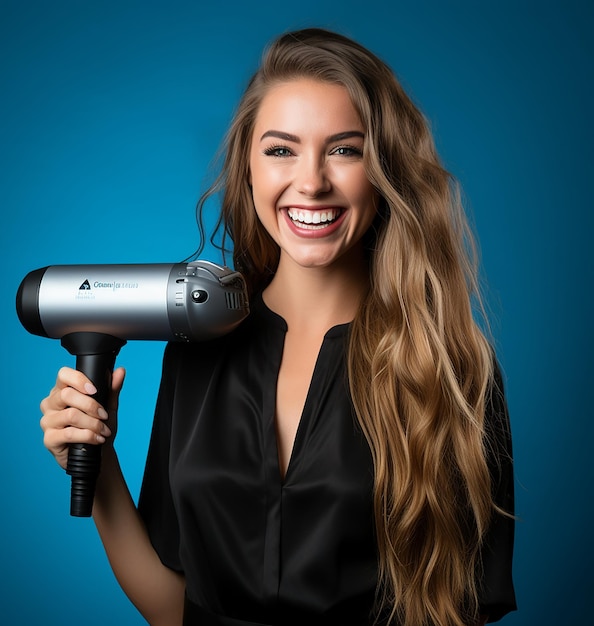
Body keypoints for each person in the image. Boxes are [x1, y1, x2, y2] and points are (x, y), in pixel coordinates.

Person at [39, 28, 516, 626]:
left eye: (345, 150)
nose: (311, 181)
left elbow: (458, 611)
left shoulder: (451, 368)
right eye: (281, 150)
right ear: (249, 167)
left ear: (385, 169)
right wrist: (98, 459)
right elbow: (174, 609)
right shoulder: (197, 354)